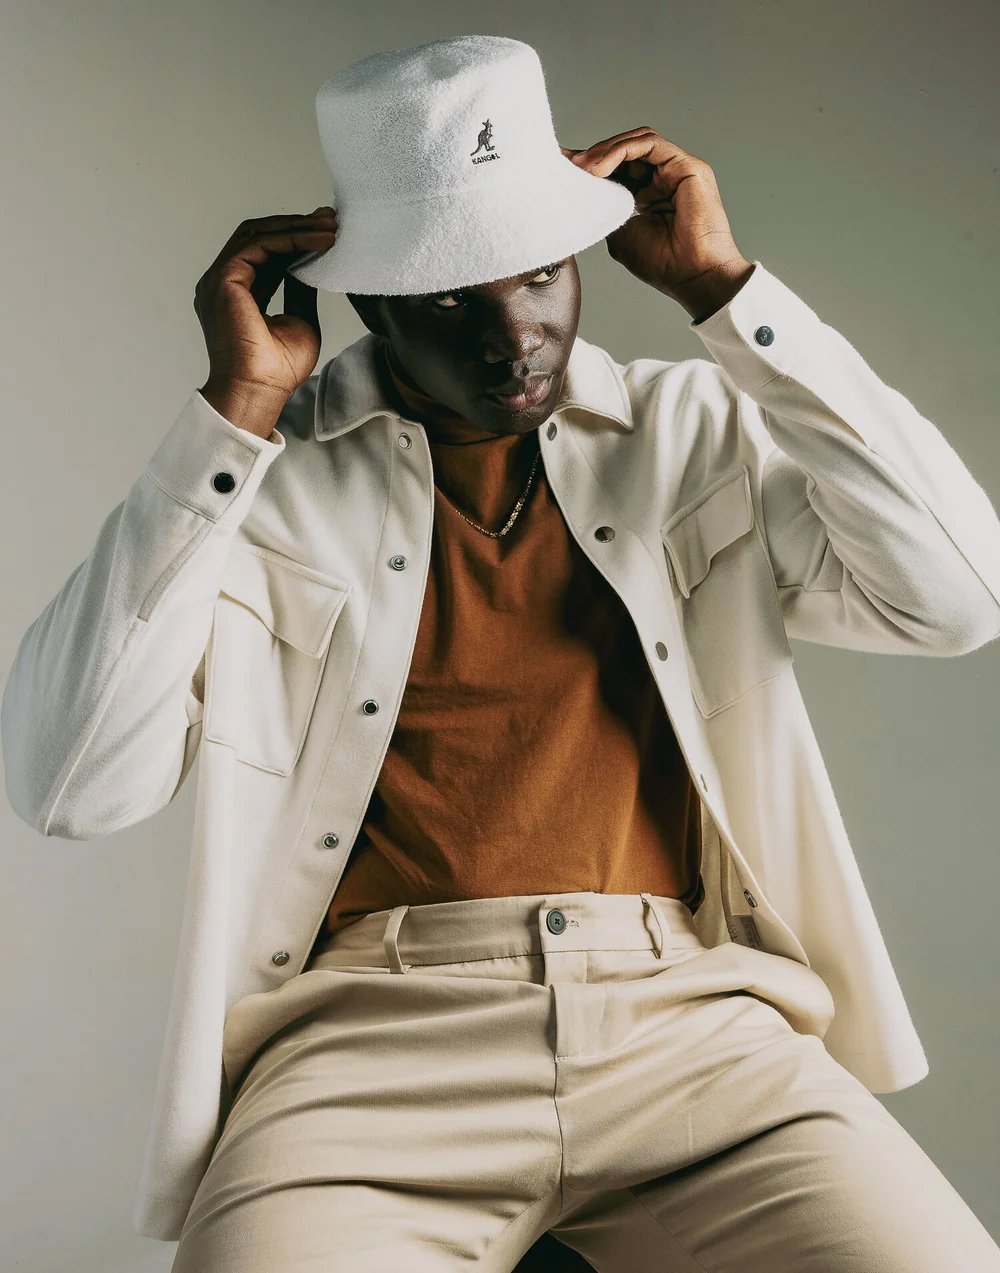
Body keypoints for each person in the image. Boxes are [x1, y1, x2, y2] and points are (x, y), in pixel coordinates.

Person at [4, 33, 1000, 1273]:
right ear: (364, 302)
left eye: (537, 275)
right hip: (368, 1054)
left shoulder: (683, 433)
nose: (511, 333)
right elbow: (64, 785)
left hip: (694, 1032)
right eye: (446, 300)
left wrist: (728, 295)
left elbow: (956, 597)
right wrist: (232, 418)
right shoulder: (259, 484)